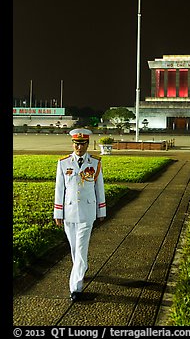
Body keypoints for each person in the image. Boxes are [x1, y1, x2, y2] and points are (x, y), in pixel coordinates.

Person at [53, 128, 106, 301]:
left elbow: (99, 188)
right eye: (76, 143)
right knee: (75, 248)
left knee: (81, 249)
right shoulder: (63, 163)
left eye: (82, 144)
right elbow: (59, 189)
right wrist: (58, 213)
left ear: (87, 144)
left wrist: (101, 211)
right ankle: (82, 268)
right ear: (73, 144)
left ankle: (76, 288)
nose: (79, 147)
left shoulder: (95, 163)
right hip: (68, 212)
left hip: (87, 213)